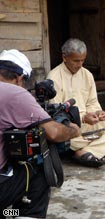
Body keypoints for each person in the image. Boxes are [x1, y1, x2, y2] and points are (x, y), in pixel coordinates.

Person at [0, 49, 80, 218]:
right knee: (39, 169)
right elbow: (53, 133)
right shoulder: (14, 93)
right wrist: (74, 130)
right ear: (20, 78)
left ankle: (8, 212)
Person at [47, 38, 105, 167]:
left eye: (82, 60)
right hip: (70, 129)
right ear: (65, 57)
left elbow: (92, 102)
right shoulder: (54, 77)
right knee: (64, 139)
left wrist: (98, 113)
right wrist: (83, 117)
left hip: (87, 125)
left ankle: (86, 151)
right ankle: (92, 148)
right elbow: (56, 115)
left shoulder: (87, 75)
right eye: (76, 61)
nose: (80, 64)